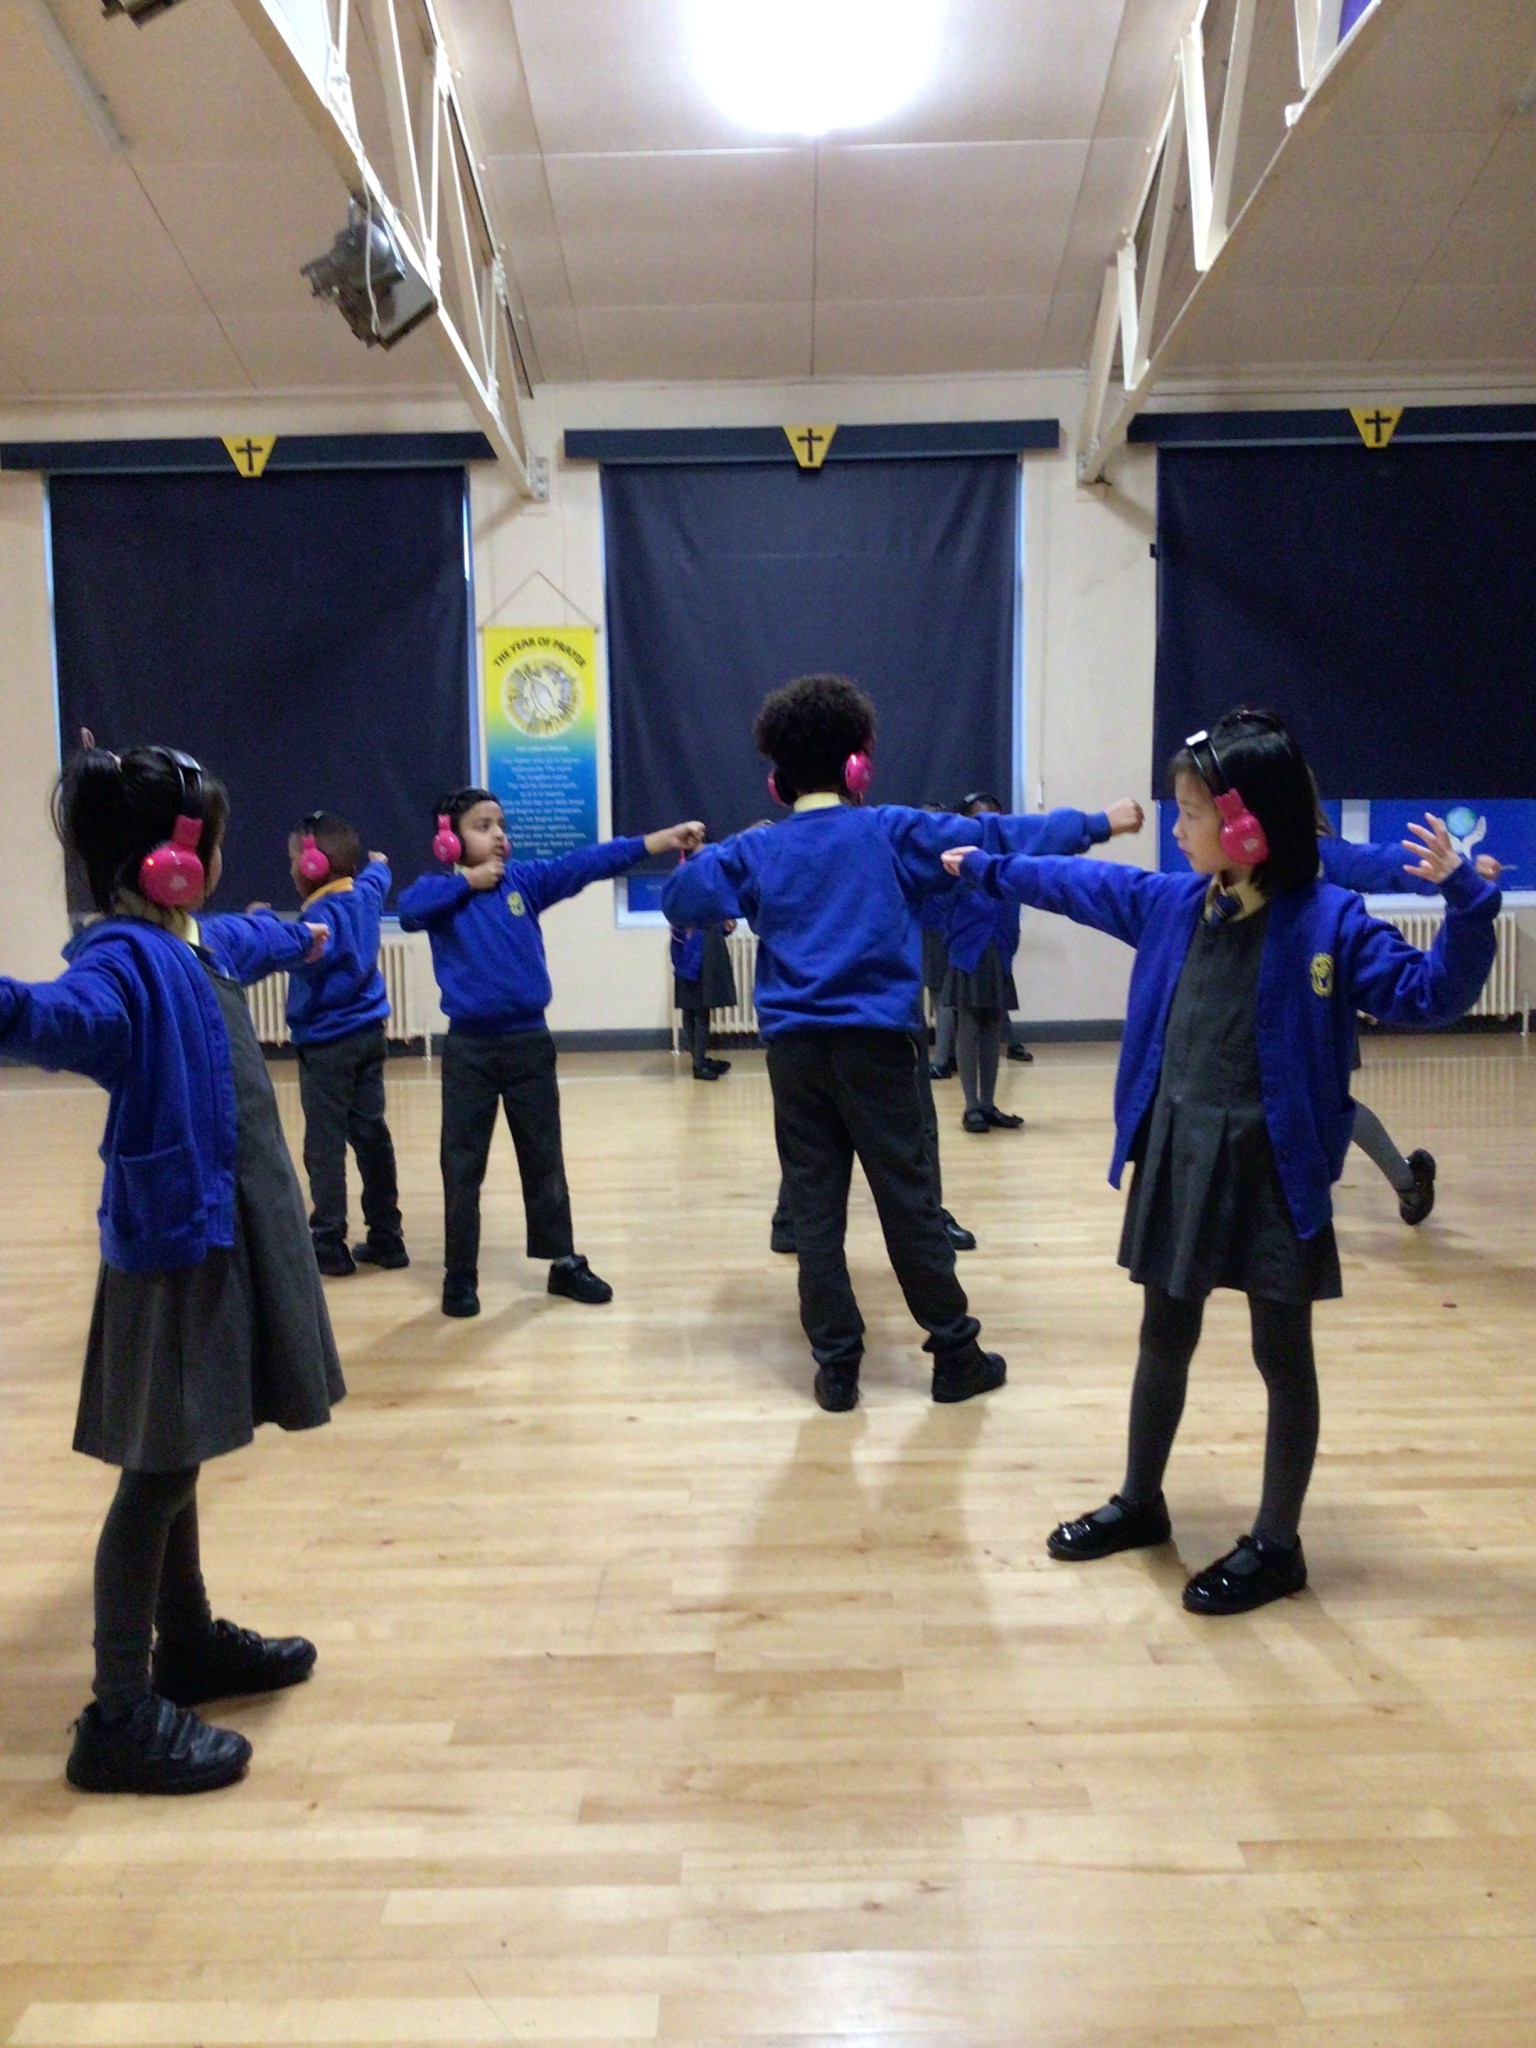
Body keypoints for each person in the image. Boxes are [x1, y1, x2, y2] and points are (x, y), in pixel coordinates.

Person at [945, 709, 1499, 1612]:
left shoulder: (1332, 924)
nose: (1175, 827)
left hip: (1275, 1165)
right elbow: (1071, 885)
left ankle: (1278, 1544)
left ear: (1246, 825)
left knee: (1282, 1353)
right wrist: (990, 866)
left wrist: (1468, 905)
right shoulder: (1172, 904)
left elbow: (1430, 994)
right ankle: (1141, 1501)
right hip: (1181, 1153)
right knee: (1164, 1333)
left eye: (1191, 812)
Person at [0, 740, 346, 1794]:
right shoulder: (122, 959)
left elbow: (247, 934)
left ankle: (185, 1642)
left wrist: (304, 934)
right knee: (156, 1471)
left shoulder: (191, 940)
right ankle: (117, 1710)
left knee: (183, 1446)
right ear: (173, 861)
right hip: (174, 1243)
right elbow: (65, 1019)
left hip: (218, 1227)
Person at [662, 672, 1143, 1411]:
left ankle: (837, 1367)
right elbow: (998, 838)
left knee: (815, 1211)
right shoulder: (890, 830)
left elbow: (683, 899)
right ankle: (954, 1353)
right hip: (878, 1050)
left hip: (793, 1056)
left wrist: (723, 858)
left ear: (775, 780)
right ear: (859, 766)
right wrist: (1098, 823)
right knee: (908, 1200)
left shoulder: (758, 849)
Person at [399, 789, 703, 1317]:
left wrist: (660, 839)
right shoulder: (439, 892)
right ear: (448, 840)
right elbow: (408, 911)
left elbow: (588, 863)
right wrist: (468, 883)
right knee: (462, 1164)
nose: (498, 834)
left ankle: (562, 1262)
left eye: (501, 824)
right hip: (469, 1049)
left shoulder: (525, 882)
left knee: (544, 1159)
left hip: (528, 1045)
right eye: (482, 825)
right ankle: (459, 1275)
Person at [1317, 830, 1505, 1226]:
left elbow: (1386, 863)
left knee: (1330, 1105)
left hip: (1316, 1015)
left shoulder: (1315, 855)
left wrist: (1463, 874)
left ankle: (1407, 1181)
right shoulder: (1217, 884)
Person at [284, 812, 407, 1275]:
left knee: (325, 1144)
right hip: (370, 1037)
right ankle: (387, 1237)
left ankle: (329, 1242)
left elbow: (303, 954)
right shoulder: (366, 893)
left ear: (314, 865)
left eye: (295, 858)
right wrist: (379, 861)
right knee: (371, 1134)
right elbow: (379, 870)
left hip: (326, 1046)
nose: (292, 868)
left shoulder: (317, 918)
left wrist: (260, 921)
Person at [942, 790, 1027, 1133]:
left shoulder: (1007, 856)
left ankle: (989, 1103)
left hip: (999, 946)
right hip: (968, 946)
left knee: (993, 1024)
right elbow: (944, 906)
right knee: (970, 1023)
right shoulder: (954, 859)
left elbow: (1014, 901)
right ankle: (971, 1106)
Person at [670, 901, 737, 1080]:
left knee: (692, 1007)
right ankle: (699, 1064)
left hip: (688, 950)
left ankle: (698, 1060)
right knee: (699, 1009)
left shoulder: (683, 888)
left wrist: (726, 926)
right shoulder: (702, 885)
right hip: (697, 951)